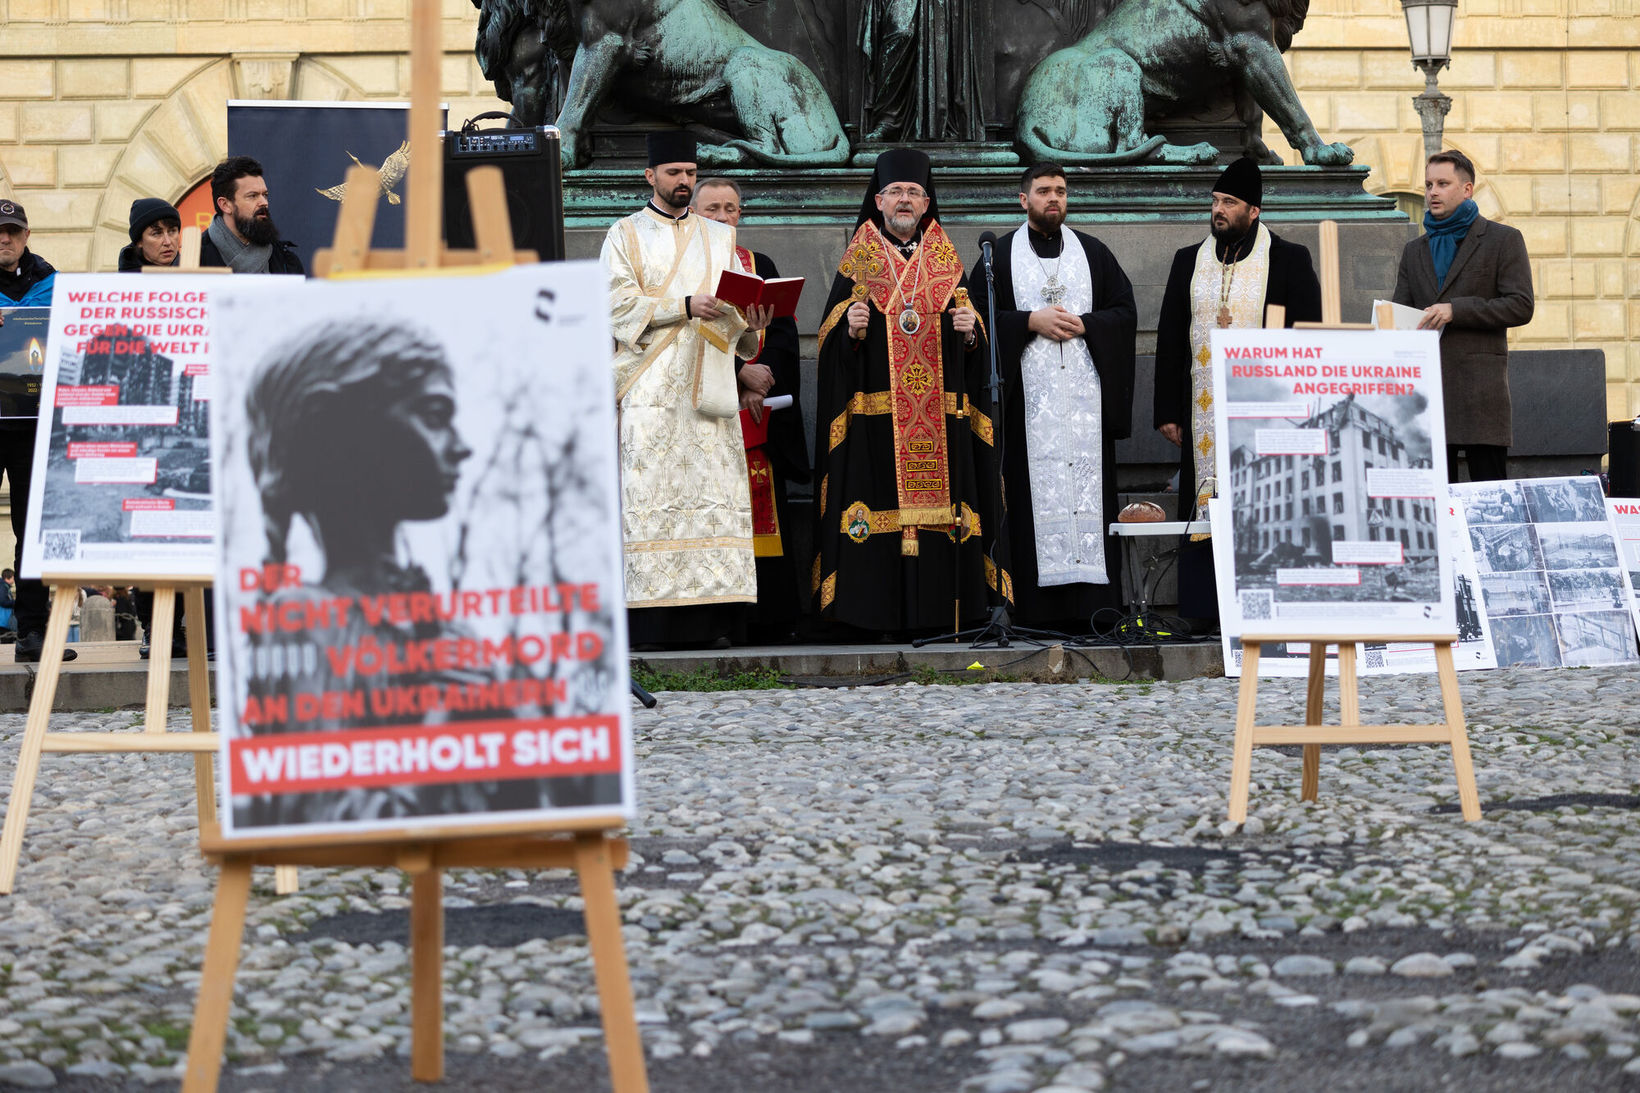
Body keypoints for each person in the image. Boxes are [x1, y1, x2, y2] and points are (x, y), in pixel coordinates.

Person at [812, 148, 997, 637]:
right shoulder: (861, 259)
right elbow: (828, 345)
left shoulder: (944, 259)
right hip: (876, 426)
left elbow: (973, 338)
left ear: (926, 202)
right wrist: (847, 332)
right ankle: (873, 616)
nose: (905, 200)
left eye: (914, 192)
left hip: (937, 422)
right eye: (896, 191)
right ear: (878, 201)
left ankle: (939, 614)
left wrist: (970, 331)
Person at [601, 133, 773, 650]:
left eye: (690, 173)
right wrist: (683, 304)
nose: (684, 182)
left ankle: (711, 624)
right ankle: (650, 628)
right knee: (651, 497)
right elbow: (613, 303)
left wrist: (754, 324)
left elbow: (737, 323)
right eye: (674, 173)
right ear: (650, 177)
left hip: (707, 388)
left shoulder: (720, 240)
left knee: (711, 497)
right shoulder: (624, 234)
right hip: (650, 389)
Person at [967, 163, 1137, 631]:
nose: (1053, 199)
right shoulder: (996, 257)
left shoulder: (1095, 254)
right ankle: (1036, 613)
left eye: (1060, 191)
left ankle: (1094, 611)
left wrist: (1088, 324)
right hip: (1027, 414)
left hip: (1084, 414)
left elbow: (1123, 312)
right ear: (1024, 200)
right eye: (1043, 191)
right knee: (1027, 502)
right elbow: (973, 318)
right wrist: (1027, 322)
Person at [1153, 158, 1322, 620]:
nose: (1218, 210)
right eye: (1215, 201)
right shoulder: (1188, 260)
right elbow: (1170, 338)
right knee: (1203, 503)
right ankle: (1204, 613)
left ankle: (1265, 613)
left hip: (1270, 415)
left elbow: (1310, 336)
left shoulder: (1288, 259)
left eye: (1229, 202)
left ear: (1255, 210)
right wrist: (1167, 409)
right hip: (1203, 413)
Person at [691, 177, 808, 642]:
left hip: (756, 414)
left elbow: (780, 329)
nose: (723, 218)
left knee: (763, 510)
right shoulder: (682, 268)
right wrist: (738, 373)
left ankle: (768, 619)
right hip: (703, 411)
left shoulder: (758, 263)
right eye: (713, 209)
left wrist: (761, 379)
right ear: (695, 214)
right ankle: (715, 619)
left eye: (732, 209)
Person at [1392, 149, 1534, 483]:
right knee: (1437, 504)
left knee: (1490, 500)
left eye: (1443, 183)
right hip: (1428, 396)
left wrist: (1458, 310)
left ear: (1467, 189)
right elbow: (1401, 314)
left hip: (1481, 397)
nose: (1432, 192)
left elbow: (1521, 305)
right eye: (1428, 184)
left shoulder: (1503, 240)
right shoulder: (1415, 250)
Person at [0, 200, 74, 662]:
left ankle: (34, 633)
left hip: (32, 421)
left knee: (33, 528)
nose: (4, 239)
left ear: (27, 235)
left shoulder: (54, 283)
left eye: (12, 231)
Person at [199, 156, 304, 275]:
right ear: (225, 205)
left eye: (265, 195)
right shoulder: (195, 261)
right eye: (252, 196)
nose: (264, 202)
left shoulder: (287, 260)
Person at [117, 198, 181, 270]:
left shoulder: (192, 276)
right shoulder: (124, 280)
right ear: (139, 241)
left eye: (172, 231)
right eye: (156, 233)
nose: (168, 242)